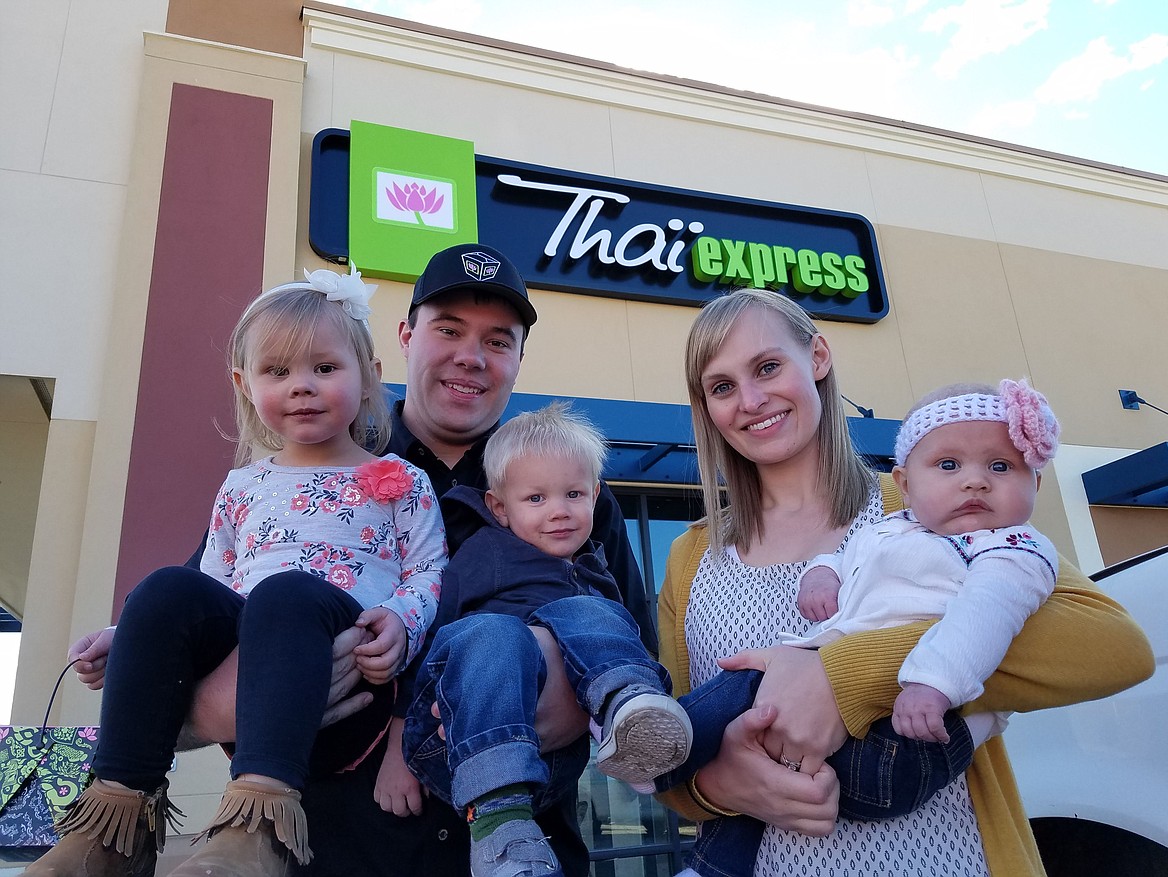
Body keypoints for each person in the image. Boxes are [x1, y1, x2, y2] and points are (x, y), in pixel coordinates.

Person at [654, 288, 1154, 877]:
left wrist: (842, 677)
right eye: (722, 386)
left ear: (817, 358)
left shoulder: (925, 506)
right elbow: (671, 759)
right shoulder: (690, 560)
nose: (752, 400)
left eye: (767, 367)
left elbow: (1113, 645)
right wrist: (720, 787)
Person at [32, 268, 445, 877]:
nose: (301, 386)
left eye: (324, 369)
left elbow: (428, 570)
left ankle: (260, 826)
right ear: (245, 384)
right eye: (277, 372)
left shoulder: (399, 480)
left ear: (369, 377)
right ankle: (113, 823)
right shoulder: (242, 485)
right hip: (260, 696)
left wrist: (403, 624)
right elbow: (214, 589)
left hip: (350, 691)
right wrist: (141, 643)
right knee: (164, 589)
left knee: (284, 594)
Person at [642, 378, 1062, 877]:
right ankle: (653, 745)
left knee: (833, 745)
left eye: (1000, 466)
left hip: (931, 826)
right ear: (909, 481)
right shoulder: (899, 523)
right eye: (723, 385)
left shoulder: (1007, 545)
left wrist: (859, 677)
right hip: (775, 821)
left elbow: (1002, 620)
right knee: (737, 693)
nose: (974, 481)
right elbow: (847, 556)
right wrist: (713, 787)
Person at [393, 402, 690, 877]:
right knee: (496, 632)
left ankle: (629, 715)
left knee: (597, 614)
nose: (558, 512)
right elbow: (432, 636)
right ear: (499, 508)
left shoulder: (594, 571)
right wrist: (397, 737)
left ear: (595, 495)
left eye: (573, 494)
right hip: (460, 746)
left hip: (552, 761)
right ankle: (499, 825)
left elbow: (627, 636)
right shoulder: (483, 554)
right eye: (536, 499)